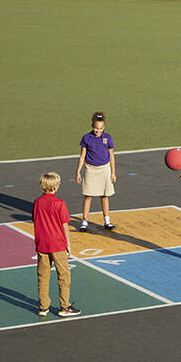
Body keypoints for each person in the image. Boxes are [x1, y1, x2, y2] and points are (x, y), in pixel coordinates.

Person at [32, 172, 80, 317]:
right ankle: (65, 306)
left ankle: (43, 307)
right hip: (57, 244)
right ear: (55, 186)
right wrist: (68, 244)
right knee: (64, 275)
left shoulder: (37, 202)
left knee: (43, 276)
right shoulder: (59, 203)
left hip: (42, 244)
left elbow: (35, 220)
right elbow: (64, 225)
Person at [73, 111, 116, 231]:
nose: (98, 131)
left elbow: (111, 155)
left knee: (104, 196)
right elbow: (82, 156)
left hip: (104, 169)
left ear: (104, 127)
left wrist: (113, 172)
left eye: (101, 129)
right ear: (92, 126)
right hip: (90, 169)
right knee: (88, 196)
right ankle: (84, 221)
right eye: (96, 128)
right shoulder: (86, 138)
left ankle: (107, 221)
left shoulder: (108, 138)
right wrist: (78, 172)